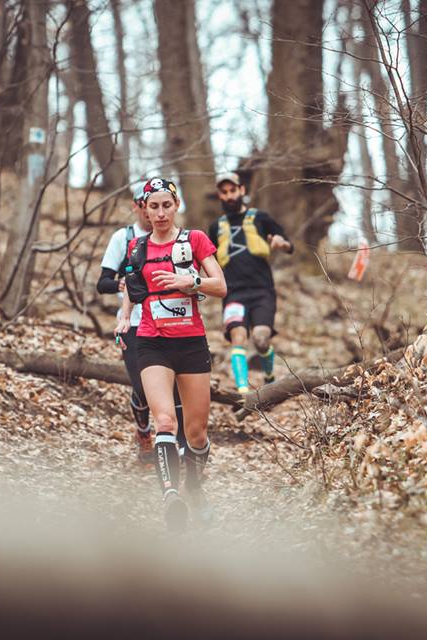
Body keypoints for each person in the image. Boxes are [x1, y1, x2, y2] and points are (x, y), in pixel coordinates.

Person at [115, 177, 226, 531]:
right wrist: (124, 315)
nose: (160, 213)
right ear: (144, 210)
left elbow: (221, 286)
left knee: (196, 434)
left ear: (176, 205)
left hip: (191, 343)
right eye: (153, 206)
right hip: (151, 341)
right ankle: (171, 497)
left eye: (166, 205)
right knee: (165, 422)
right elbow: (133, 290)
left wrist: (188, 282)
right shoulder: (136, 247)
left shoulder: (193, 240)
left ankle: (194, 486)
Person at [97, 184, 186, 466]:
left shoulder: (177, 238)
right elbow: (102, 282)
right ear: (139, 206)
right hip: (133, 323)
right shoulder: (124, 238)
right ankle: (143, 432)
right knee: (141, 387)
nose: (154, 212)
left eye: (163, 205)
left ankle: (181, 449)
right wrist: (122, 283)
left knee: (174, 387)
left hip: (169, 320)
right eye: (146, 204)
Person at [207, 172, 293, 393]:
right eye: (224, 192)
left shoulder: (260, 218)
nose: (229, 196)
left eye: (232, 190)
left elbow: (287, 243)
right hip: (233, 293)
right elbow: (208, 261)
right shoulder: (216, 227)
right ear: (220, 195)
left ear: (242, 190)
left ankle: (270, 378)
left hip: (262, 290)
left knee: (261, 339)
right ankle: (243, 393)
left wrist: (281, 244)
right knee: (238, 337)